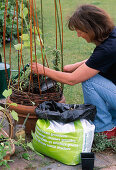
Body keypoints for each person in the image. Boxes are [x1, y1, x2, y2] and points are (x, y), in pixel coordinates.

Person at [32, 4, 116, 139]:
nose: (78, 35)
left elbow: (72, 79)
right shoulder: (112, 35)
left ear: (91, 28)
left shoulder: (107, 50)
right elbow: (98, 60)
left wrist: (43, 70)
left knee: (89, 79)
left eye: (80, 31)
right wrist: (75, 66)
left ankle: (104, 128)